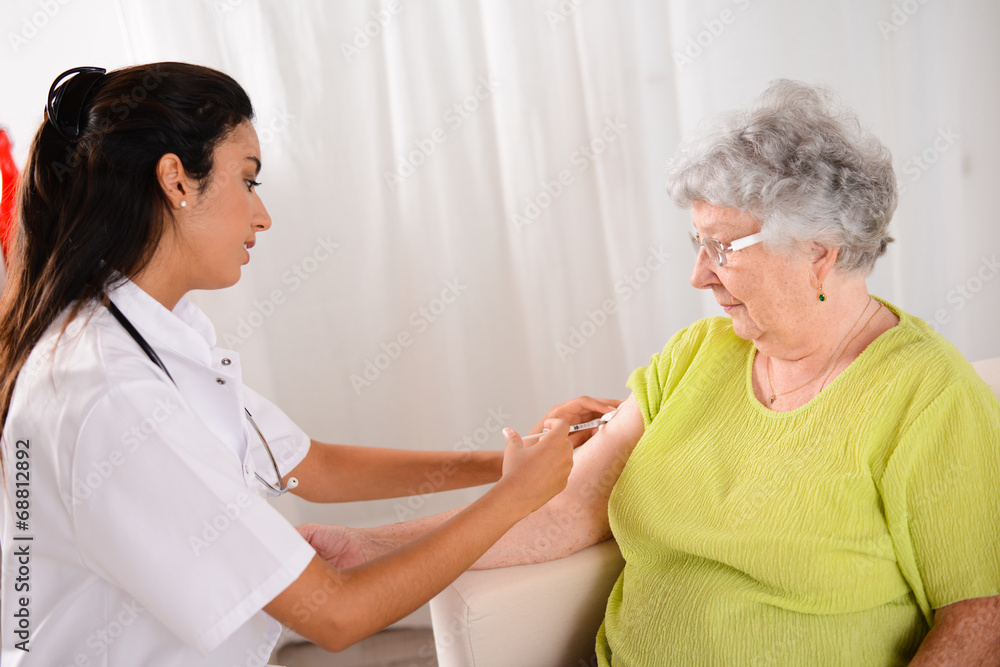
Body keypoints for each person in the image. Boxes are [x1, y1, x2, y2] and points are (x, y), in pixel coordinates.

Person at [301, 80, 1000, 664]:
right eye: (697, 243)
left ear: (819, 252)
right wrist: (365, 548)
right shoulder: (697, 356)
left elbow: (979, 616)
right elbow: (563, 508)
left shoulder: (929, 396)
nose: (700, 274)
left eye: (723, 247)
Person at [0, 62, 608, 665]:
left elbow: (310, 466)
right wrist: (514, 497)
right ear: (177, 181)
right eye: (249, 179)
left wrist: (517, 458)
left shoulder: (147, 333)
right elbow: (336, 616)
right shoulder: (108, 387)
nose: (263, 216)